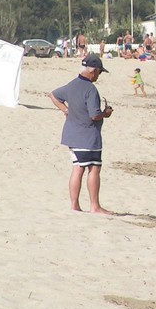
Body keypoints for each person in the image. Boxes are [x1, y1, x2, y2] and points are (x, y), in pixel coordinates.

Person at [49, 54, 113, 214]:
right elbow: (94, 115)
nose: (99, 75)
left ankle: (74, 205)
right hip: (88, 136)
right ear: (94, 71)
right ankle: (95, 206)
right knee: (94, 168)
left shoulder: (72, 85)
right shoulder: (90, 89)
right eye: (99, 72)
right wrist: (106, 113)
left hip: (72, 135)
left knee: (77, 168)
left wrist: (66, 110)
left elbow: (53, 95)